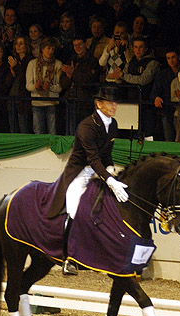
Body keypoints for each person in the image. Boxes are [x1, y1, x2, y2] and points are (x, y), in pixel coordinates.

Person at [47, 86, 128, 275]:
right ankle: (67, 258)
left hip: (100, 170)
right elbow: (92, 159)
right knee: (74, 209)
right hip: (80, 172)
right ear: (99, 104)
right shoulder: (86, 126)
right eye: (110, 102)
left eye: (115, 102)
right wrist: (109, 179)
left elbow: (106, 155)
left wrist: (112, 171)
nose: (114, 105)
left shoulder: (113, 124)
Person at [114, 36, 160, 139]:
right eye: (135, 47)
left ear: (146, 48)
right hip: (131, 104)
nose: (138, 50)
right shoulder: (131, 62)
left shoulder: (152, 63)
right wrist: (118, 77)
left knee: (147, 135)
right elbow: (122, 76)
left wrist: (123, 76)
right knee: (131, 134)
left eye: (140, 47)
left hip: (146, 103)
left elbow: (142, 80)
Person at [60, 35, 100, 134]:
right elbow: (62, 83)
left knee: (85, 132)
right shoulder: (71, 60)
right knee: (71, 132)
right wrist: (69, 76)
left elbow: (89, 80)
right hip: (70, 102)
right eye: (75, 45)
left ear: (86, 44)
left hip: (85, 103)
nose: (78, 47)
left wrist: (73, 73)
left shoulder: (92, 61)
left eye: (80, 44)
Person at [26, 36, 62, 134]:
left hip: (52, 102)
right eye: (48, 48)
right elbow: (28, 85)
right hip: (37, 102)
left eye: (52, 49)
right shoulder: (33, 64)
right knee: (38, 131)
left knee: (52, 131)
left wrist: (50, 87)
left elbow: (59, 87)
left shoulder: (58, 64)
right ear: (42, 49)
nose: (50, 51)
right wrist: (35, 87)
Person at [150, 47, 180, 141]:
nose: (171, 60)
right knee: (169, 138)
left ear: (179, 57)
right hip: (167, 109)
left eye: (173, 57)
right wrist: (156, 98)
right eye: (168, 58)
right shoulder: (162, 74)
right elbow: (154, 92)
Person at [7, 34, 33, 133]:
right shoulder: (14, 59)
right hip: (12, 98)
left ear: (26, 45)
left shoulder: (30, 60)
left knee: (24, 128)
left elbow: (26, 78)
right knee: (13, 128)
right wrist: (12, 72)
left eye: (21, 44)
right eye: (16, 44)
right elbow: (8, 82)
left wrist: (16, 67)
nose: (18, 46)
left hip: (23, 99)